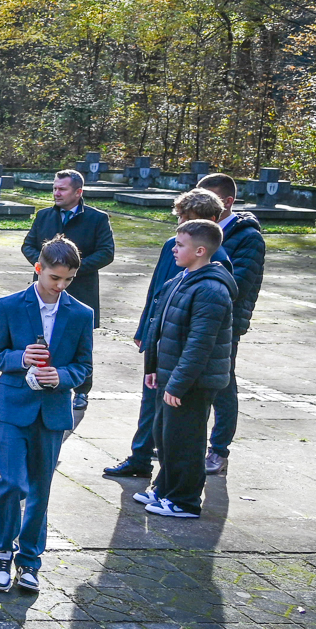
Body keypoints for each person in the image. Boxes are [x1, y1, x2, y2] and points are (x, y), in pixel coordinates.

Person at [0, 237, 94, 594]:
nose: (60, 286)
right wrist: (20, 358)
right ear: (38, 269)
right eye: (54, 278)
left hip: (52, 412)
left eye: (68, 280)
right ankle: (2, 550)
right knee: (13, 484)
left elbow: (84, 366)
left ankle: (30, 560)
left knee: (40, 491)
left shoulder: (81, 313)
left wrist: (62, 376)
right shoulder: (10, 305)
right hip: (11, 409)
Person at [103, 190, 231, 480]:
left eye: (189, 219)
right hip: (162, 340)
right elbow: (157, 290)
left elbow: (210, 316)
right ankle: (141, 457)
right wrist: (145, 329)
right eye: (180, 218)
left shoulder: (217, 260)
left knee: (177, 421)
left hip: (183, 348)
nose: (181, 226)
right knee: (151, 405)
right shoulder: (171, 246)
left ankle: (170, 477)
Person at [136, 220, 236, 520]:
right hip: (170, 375)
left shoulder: (211, 290)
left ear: (200, 250)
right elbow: (161, 327)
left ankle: (185, 501)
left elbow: (199, 345)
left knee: (186, 441)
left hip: (192, 383)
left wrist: (178, 384)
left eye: (180, 245)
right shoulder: (182, 279)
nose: (174, 249)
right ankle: (165, 489)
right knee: (165, 437)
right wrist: (153, 367)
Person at [20, 170, 115, 411]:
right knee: (41, 338)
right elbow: (28, 245)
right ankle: (37, 381)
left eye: (62, 189)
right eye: (54, 188)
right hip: (44, 292)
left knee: (80, 344)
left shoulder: (97, 218)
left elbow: (106, 252)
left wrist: (71, 270)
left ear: (78, 192)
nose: (56, 193)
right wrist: (45, 267)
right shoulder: (44, 216)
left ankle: (81, 390)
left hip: (80, 291)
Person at [197, 173, 266, 476]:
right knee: (191, 384)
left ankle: (219, 450)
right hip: (195, 318)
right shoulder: (198, 231)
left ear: (227, 202)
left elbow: (238, 284)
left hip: (225, 323)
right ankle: (190, 442)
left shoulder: (247, 237)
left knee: (222, 386)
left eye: (208, 199)